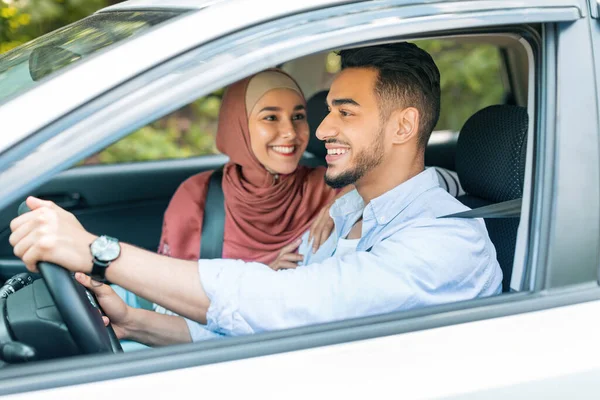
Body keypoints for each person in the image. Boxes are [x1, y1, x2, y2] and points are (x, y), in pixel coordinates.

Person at [9, 42, 502, 345]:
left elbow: (285, 306)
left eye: (345, 112)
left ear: (404, 125)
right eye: (327, 109)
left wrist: (99, 253)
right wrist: (136, 323)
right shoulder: (346, 210)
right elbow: (257, 327)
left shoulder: (444, 245)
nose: (322, 128)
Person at [157, 69, 338, 269]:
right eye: (270, 118)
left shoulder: (330, 188)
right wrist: (264, 278)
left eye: (298, 116)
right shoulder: (197, 196)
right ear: (238, 124)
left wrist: (343, 201)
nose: (289, 132)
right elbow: (174, 292)